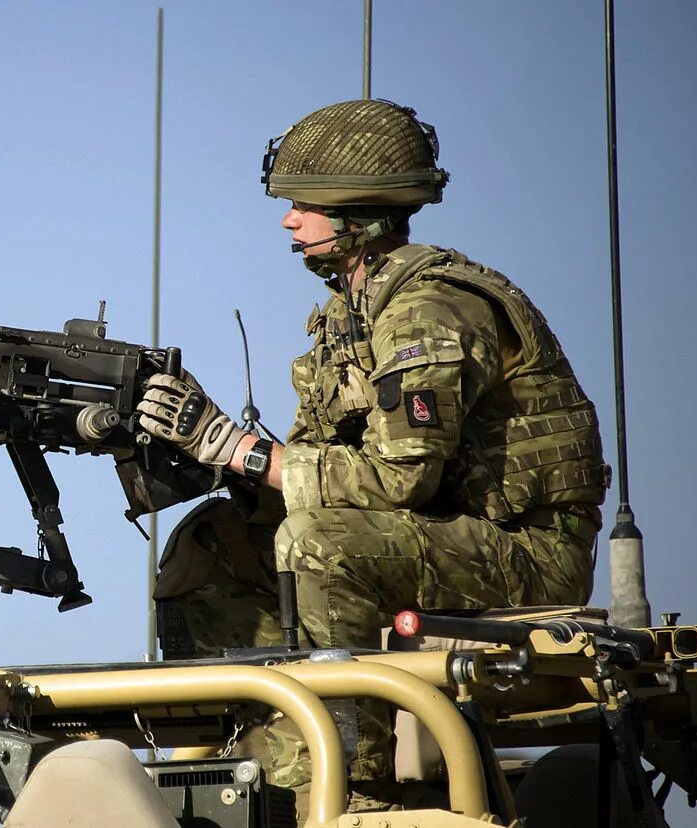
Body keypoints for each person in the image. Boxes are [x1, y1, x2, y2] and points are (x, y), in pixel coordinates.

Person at [135, 99, 610, 797]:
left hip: (526, 554)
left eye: (304, 205)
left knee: (320, 544)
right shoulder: (348, 317)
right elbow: (317, 467)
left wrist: (232, 447)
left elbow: (396, 481)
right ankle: (261, 774)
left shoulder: (429, 309)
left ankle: (348, 791)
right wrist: (206, 451)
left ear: (358, 216)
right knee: (217, 541)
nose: (287, 220)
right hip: (431, 540)